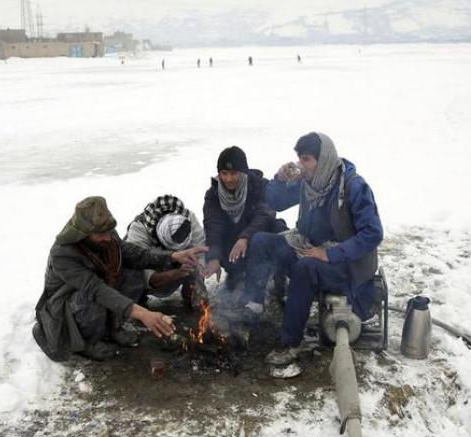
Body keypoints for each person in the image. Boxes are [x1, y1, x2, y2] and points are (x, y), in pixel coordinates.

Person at [241, 132, 383, 366]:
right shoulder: (309, 183)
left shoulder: (353, 187)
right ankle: (253, 308)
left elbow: (373, 233)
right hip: (310, 248)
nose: (301, 165)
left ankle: (291, 343)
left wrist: (330, 254)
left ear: (323, 159)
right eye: (300, 158)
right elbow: (275, 202)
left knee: (304, 269)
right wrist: (279, 178)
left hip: (346, 265)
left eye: (306, 159)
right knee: (261, 241)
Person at [32, 196, 206, 361]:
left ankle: (113, 327)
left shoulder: (104, 233)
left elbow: (134, 254)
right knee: (90, 297)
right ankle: (88, 341)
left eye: (109, 232)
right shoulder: (63, 254)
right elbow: (95, 289)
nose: (109, 238)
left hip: (98, 287)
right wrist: (143, 314)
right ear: (84, 233)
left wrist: (172, 257)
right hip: (68, 304)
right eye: (102, 234)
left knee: (133, 272)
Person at [201, 146, 286, 290]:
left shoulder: (260, 185)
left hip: (256, 236)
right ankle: (236, 274)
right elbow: (212, 224)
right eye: (224, 173)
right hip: (232, 244)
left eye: (234, 173)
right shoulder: (213, 193)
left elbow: (265, 214)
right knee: (212, 243)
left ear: (243, 172)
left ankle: (279, 276)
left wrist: (245, 237)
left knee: (278, 229)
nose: (228, 179)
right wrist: (213, 257)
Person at [125, 194, 206, 306]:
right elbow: (145, 276)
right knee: (131, 276)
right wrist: (175, 274)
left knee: (196, 276)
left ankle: (190, 297)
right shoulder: (138, 230)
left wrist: (198, 275)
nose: (178, 253)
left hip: (180, 267)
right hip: (149, 268)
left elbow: (201, 252)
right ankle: (139, 307)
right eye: (173, 249)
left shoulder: (188, 219)